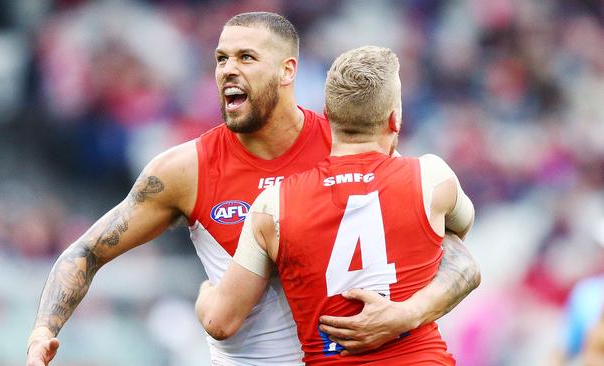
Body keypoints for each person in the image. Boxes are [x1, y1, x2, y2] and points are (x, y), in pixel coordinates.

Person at [26, 12, 480, 366]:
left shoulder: (347, 148)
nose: (227, 70)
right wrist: (43, 330)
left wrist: (411, 312)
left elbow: (452, 250)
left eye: (246, 58)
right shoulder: (187, 169)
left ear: (287, 71)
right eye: (221, 59)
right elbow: (86, 252)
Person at [195, 45, 475, 365]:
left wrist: (205, 293)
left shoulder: (274, 204)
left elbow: (221, 322)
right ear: (395, 119)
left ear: (327, 116)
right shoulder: (431, 178)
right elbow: (458, 238)